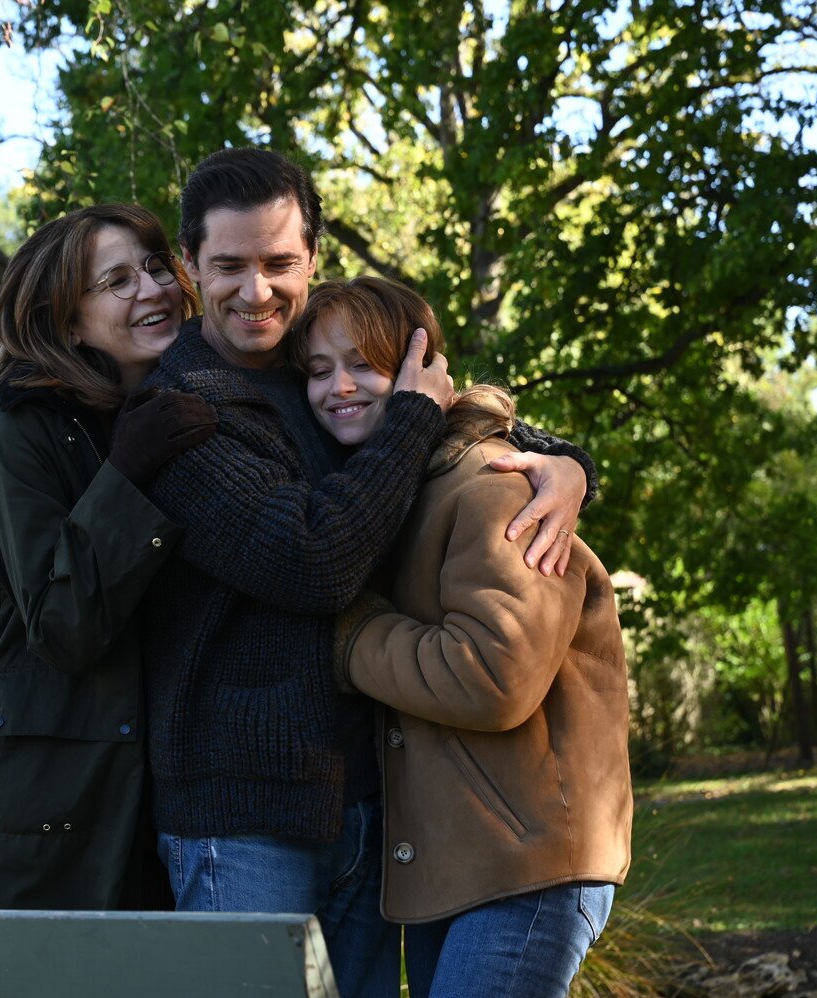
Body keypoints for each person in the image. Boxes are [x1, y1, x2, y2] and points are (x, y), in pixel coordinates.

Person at [137, 148, 598, 996]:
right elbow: (313, 561)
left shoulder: (317, 368)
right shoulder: (179, 412)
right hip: (243, 822)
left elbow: (446, 435)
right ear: (190, 266)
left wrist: (564, 463)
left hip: (373, 812)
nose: (256, 290)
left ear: (312, 257)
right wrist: (415, 416)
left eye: (279, 262)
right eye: (229, 265)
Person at [306, 276, 633, 997]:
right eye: (319, 369)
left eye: (363, 364)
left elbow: (493, 676)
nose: (339, 387)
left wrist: (354, 636)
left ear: (421, 369)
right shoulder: (399, 490)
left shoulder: (492, 484)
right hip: (458, 865)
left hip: (528, 865)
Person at [0, 203, 219, 910]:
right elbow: (64, 622)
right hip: (34, 808)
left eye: (156, 266)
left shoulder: (145, 410)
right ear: (65, 323)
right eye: (117, 281)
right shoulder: (14, 435)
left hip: (138, 797)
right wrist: (127, 475)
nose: (153, 289)